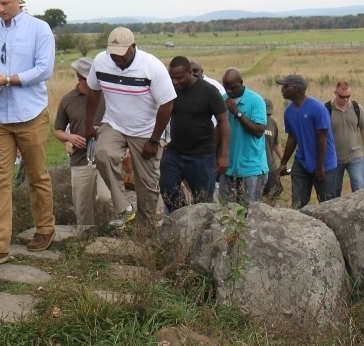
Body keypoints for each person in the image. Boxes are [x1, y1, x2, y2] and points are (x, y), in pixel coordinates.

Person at [0, 0, 56, 266]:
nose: (0, 8)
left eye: (5, 3)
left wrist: (9, 79)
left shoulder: (39, 29)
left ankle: (45, 228)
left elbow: (44, 69)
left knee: (37, 175)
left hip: (31, 113)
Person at [85, 28, 175, 229]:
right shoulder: (101, 61)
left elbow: (167, 105)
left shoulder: (152, 67)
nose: (117, 59)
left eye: (122, 54)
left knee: (146, 183)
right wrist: (89, 123)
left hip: (146, 129)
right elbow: (93, 91)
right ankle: (124, 208)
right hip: (114, 123)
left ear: (133, 47)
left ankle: (146, 228)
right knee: (102, 154)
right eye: (113, 54)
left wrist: (154, 140)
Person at [160, 56, 229, 211]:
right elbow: (161, 112)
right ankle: (183, 217)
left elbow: (224, 122)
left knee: (203, 200)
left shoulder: (209, 91)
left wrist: (223, 155)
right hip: (175, 152)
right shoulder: (171, 90)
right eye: (172, 78)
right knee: (167, 189)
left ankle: (200, 227)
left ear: (190, 72)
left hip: (201, 156)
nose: (175, 82)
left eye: (179, 78)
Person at [54, 56, 108, 226]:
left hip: (105, 159)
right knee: (82, 211)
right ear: (80, 79)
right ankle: (87, 244)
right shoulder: (67, 100)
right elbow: (58, 131)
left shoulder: (107, 96)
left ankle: (112, 237)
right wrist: (70, 137)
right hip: (79, 161)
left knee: (106, 198)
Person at [277, 74, 338, 208]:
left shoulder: (317, 108)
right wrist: (283, 163)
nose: (282, 89)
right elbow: (292, 138)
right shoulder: (288, 111)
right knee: (298, 203)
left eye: (285, 86)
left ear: (295, 88)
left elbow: (322, 139)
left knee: (327, 205)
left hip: (324, 163)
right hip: (302, 161)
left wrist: (320, 166)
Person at [219, 68, 268, 204]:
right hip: (228, 167)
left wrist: (237, 112)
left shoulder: (256, 101)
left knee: (249, 211)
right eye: (226, 87)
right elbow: (219, 130)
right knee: (225, 211)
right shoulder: (223, 99)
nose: (229, 91)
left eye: (233, 87)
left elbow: (259, 131)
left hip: (251, 169)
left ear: (241, 83)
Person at [326, 80, 364, 196]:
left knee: (359, 188)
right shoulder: (327, 110)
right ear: (335, 93)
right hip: (334, 159)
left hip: (355, 156)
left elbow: (363, 128)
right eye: (342, 96)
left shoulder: (357, 108)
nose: (346, 99)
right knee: (333, 192)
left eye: (348, 96)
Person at [261, 98, 284, 201]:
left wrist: (283, 161)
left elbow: (276, 143)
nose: (267, 117)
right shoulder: (251, 122)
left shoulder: (272, 123)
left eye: (269, 114)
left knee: (273, 196)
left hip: (270, 166)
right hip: (256, 168)